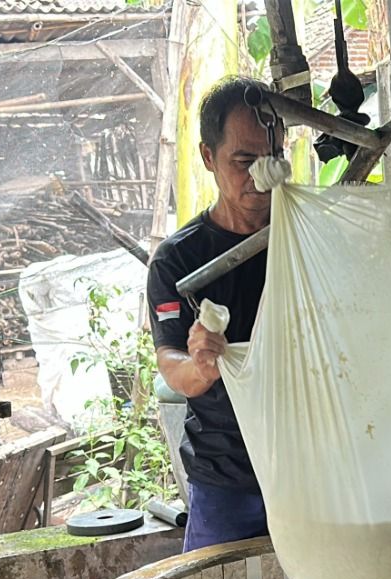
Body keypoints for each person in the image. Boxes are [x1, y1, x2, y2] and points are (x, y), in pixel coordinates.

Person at [146, 77, 283, 552]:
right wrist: (202, 366)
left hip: (312, 467)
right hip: (228, 477)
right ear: (208, 156)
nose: (259, 175)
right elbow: (172, 365)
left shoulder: (307, 239)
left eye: (272, 157)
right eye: (243, 162)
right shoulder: (179, 261)